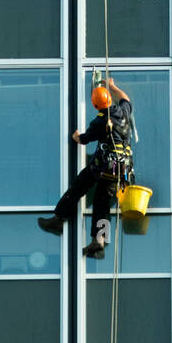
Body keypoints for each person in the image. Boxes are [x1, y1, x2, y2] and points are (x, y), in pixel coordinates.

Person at [37, 76, 134, 259]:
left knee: (78, 187)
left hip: (102, 167)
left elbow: (83, 140)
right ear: (110, 100)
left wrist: (76, 136)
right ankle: (99, 241)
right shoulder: (123, 113)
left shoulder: (99, 122)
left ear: (95, 105)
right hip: (120, 170)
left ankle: (59, 219)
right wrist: (112, 86)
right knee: (102, 204)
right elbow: (126, 98)